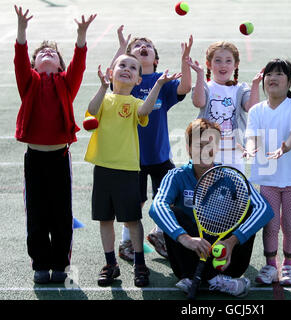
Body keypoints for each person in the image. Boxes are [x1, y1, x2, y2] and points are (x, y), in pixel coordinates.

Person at [14, 5, 96, 284]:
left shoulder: (65, 83)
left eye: (52, 53)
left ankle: (60, 263)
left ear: (60, 65)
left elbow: (79, 64)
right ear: (34, 64)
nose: (46, 54)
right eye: (41, 54)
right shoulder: (29, 83)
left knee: (62, 214)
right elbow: (19, 59)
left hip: (60, 158)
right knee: (36, 213)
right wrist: (22, 30)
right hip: (34, 159)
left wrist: (81, 36)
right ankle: (40, 263)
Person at [84, 52, 181, 287]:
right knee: (105, 219)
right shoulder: (104, 99)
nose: (127, 69)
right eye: (122, 65)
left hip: (128, 170)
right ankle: (110, 264)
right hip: (103, 168)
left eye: (133, 68)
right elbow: (92, 111)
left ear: (138, 80)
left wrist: (157, 84)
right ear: (111, 73)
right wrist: (102, 87)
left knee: (132, 219)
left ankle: (140, 264)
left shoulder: (136, 103)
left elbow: (145, 111)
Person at [149, 118, 274, 297]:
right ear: (188, 148)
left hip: (227, 258)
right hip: (188, 258)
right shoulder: (176, 176)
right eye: (200, 145)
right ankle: (214, 280)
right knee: (174, 212)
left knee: (249, 209)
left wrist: (231, 242)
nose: (206, 151)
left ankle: (206, 279)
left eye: (211, 145)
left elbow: (264, 209)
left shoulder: (232, 177)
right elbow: (157, 207)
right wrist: (185, 239)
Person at [110, 26, 193, 262]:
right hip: (131, 157)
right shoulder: (126, 80)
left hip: (159, 156)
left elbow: (185, 87)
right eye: (137, 45)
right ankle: (127, 241)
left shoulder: (162, 80)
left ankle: (158, 233)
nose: (143, 46)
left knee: (169, 198)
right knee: (133, 202)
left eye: (148, 45)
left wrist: (185, 59)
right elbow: (112, 73)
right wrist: (120, 46)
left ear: (155, 59)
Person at [243, 59, 291, 286]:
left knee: (289, 224)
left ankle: (288, 267)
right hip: (268, 179)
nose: (272, 78)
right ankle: (271, 266)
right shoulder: (256, 110)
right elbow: (252, 137)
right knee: (270, 224)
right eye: (269, 74)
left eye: (279, 74)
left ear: (290, 82)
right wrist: (250, 149)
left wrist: (285, 148)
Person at [188, 41, 263, 174]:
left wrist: (255, 84)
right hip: (208, 149)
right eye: (218, 60)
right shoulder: (205, 86)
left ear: (236, 64)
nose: (223, 65)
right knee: (208, 187)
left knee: (235, 188)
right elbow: (198, 102)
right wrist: (200, 75)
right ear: (209, 64)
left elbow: (252, 108)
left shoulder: (240, 89)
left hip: (234, 151)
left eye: (228, 61)